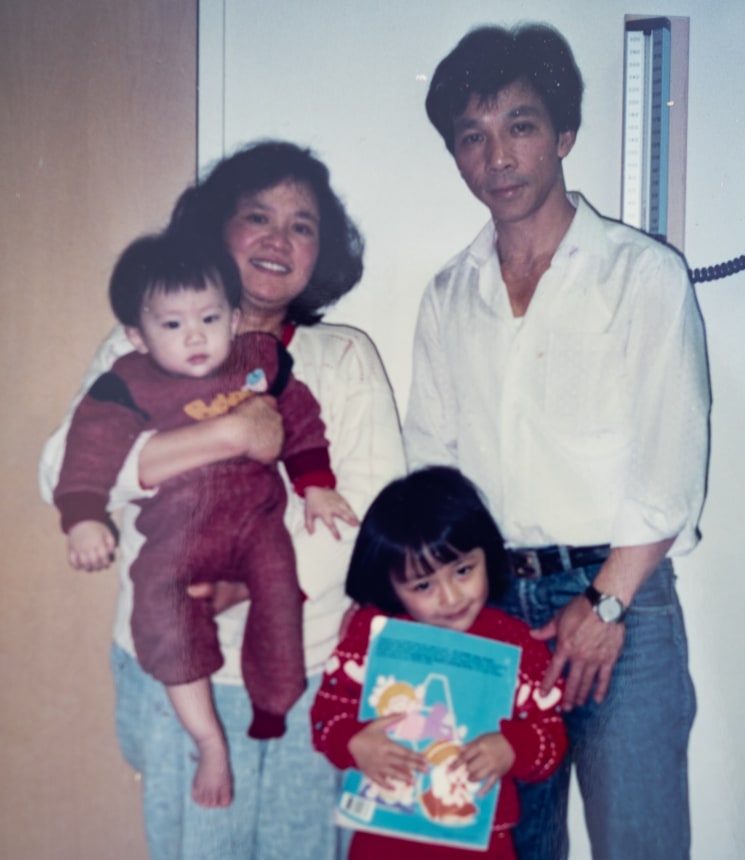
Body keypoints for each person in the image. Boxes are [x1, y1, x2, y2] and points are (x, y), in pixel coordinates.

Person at [39, 140, 405, 859]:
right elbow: (64, 473)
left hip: (311, 674)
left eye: (302, 224)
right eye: (257, 216)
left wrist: (240, 581)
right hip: (182, 670)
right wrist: (231, 433)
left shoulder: (344, 358)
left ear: (320, 251)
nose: (278, 238)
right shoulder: (143, 348)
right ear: (215, 229)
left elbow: (369, 519)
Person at [403, 24, 710, 860]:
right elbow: (432, 471)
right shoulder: (446, 296)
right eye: (472, 136)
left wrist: (607, 603)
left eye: (520, 125)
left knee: (638, 844)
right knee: (503, 846)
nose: (496, 155)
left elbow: (669, 459)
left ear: (565, 134)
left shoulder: (642, 276)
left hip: (622, 602)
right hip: (488, 603)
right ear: (456, 157)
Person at [54, 229, 359, 808]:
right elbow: (87, 448)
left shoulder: (259, 360)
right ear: (136, 336)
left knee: (278, 593)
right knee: (161, 610)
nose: (195, 336)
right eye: (172, 325)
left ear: (235, 316)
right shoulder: (128, 381)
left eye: (210, 319)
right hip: (176, 532)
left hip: (255, 523)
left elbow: (300, 420)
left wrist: (316, 486)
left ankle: (274, 703)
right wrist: (84, 516)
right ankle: (207, 736)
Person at [311, 466, 567, 860]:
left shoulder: (517, 644)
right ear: (391, 585)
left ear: (488, 555)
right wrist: (353, 741)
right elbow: (325, 715)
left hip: (481, 839)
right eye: (423, 585)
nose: (450, 598)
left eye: (463, 571)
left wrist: (513, 748)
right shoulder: (371, 638)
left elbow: (551, 737)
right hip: (384, 837)